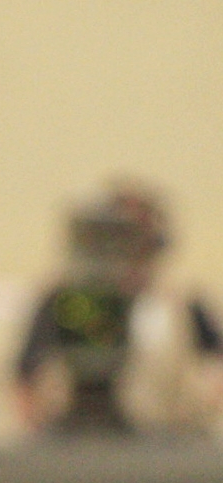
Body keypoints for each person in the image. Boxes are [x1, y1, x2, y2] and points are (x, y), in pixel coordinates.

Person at [14, 180, 223, 436]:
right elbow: (25, 376)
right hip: (74, 436)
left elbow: (215, 364)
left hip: (161, 437)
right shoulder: (65, 300)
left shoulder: (179, 305)